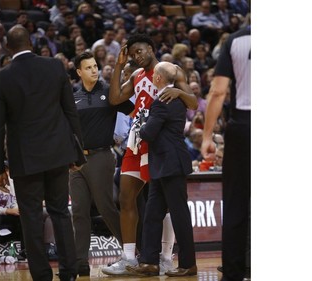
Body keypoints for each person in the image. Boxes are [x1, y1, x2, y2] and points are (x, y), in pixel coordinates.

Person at [101, 33, 198, 276]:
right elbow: (114, 98)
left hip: (160, 143)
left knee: (167, 207)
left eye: (140, 51)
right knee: (131, 198)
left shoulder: (172, 71)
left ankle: (166, 257)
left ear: (151, 49)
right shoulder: (135, 75)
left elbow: (194, 103)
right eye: (133, 54)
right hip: (139, 141)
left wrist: (179, 93)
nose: (137, 56)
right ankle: (135, 258)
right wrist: (119, 65)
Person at [0, 24, 84, 281]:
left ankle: (41, 275)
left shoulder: (1, 77)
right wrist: (77, 152)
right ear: (31, 44)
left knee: (32, 217)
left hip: (25, 159)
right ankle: (69, 272)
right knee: (60, 212)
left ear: (7, 48)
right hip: (58, 153)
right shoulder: (54, 66)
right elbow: (71, 111)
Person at [125, 61, 197, 277]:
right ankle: (149, 261)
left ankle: (188, 264)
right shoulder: (175, 98)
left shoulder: (161, 101)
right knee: (153, 214)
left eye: (154, 74)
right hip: (163, 164)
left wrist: (140, 124)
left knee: (179, 214)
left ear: (157, 78)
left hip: (170, 164)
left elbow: (148, 134)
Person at [68, 51, 134, 277]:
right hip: (76, 161)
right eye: (88, 67)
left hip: (101, 156)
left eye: (95, 66)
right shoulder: (72, 95)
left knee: (106, 207)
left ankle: (133, 253)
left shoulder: (108, 92)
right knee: (78, 211)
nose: (94, 70)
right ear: (79, 72)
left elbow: (134, 110)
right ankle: (80, 264)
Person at [201, 24, 251, 281]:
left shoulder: (236, 40)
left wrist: (207, 136)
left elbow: (219, 91)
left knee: (236, 204)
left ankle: (233, 273)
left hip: (244, 125)